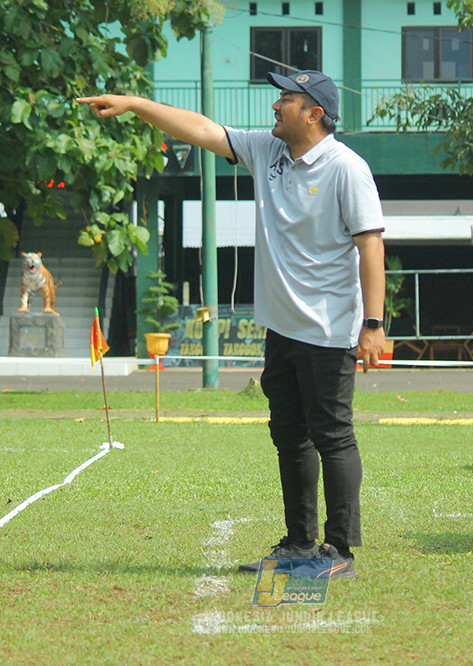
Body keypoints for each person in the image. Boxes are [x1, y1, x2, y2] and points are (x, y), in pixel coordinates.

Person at [78, 70, 385, 579]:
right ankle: (300, 544)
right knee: (289, 435)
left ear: (314, 114)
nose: (275, 105)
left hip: (329, 330)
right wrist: (134, 103)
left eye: (286, 98)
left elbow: (370, 245)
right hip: (281, 328)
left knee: (332, 435)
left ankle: (340, 552)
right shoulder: (268, 151)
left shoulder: (346, 168)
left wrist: (373, 325)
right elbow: (199, 129)